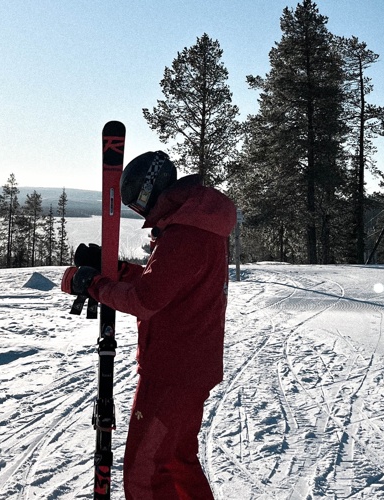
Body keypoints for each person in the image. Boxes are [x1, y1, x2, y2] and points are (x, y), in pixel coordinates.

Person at [61, 151, 236, 499]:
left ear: (147, 193)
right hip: (187, 365)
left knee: (147, 470)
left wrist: (92, 283)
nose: (140, 214)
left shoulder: (186, 233)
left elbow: (146, 300)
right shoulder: (194, 222)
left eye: (137, 204)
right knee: (175, 462)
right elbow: (165, 285)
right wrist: (117, 271)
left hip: (174, 370)